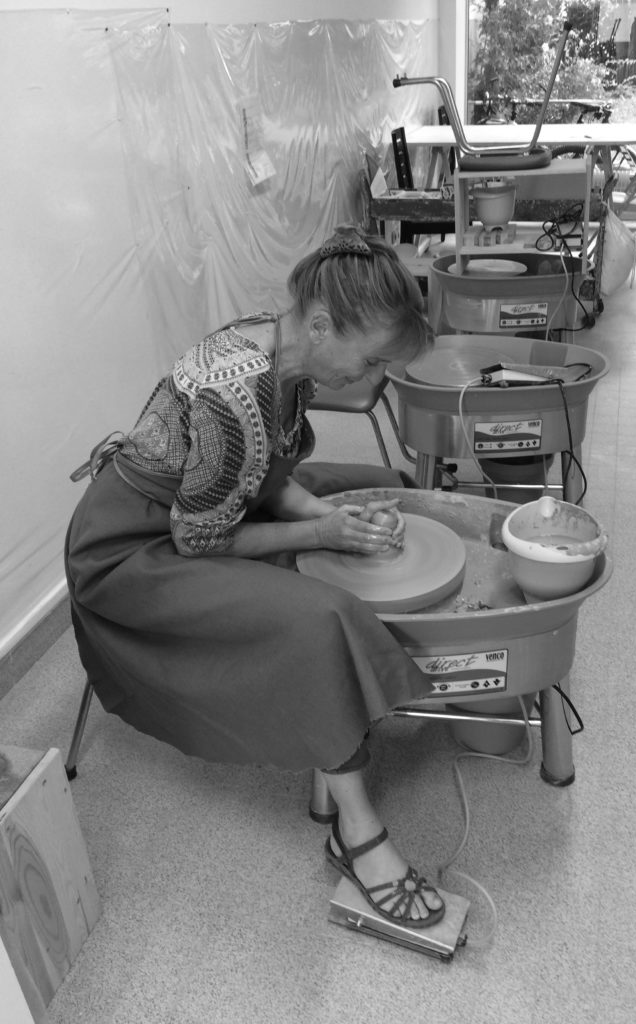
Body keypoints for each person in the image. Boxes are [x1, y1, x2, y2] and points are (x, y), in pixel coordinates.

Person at [65, 225, 444, 928]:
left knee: (373, 483)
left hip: (202, 508)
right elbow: (202, 536)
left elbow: (268, 476)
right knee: (318, 616)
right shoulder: (235, 389)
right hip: (131, 551)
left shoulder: (282, 350)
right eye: (371, 362)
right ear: (325, 326)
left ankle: (352, 699)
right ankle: (355, 833)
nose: (374, 379)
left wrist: (337, 516)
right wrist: (322, 532)